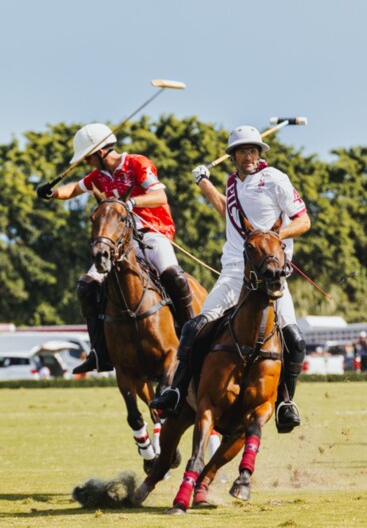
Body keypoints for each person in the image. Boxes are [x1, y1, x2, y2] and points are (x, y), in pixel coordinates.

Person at [150, 125, 311, 433]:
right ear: (233, 157)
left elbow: (303, 220)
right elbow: (226, 211)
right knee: (194, 328)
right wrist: (203, 183)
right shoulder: (231, 184)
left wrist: (273, 236)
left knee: (294, 338)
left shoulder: (275, 179)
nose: (248, 156)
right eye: (242, 152)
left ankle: (285, 402)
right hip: (235, 270)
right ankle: (177, 391)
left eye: (253, 151)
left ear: (259, 154)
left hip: (271, 273)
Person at [37, 123, 194, 374]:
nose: (87, 163)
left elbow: (160, 197)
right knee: (86, 286)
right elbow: (74, 189)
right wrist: (52, 193)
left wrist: (129, 203)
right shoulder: (97, 177)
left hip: (153, 232)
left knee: (173, 276)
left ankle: (192, 337)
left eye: (88, 157)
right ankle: (99, 351)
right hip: (120, 242)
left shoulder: (137, 163)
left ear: (100, 152)